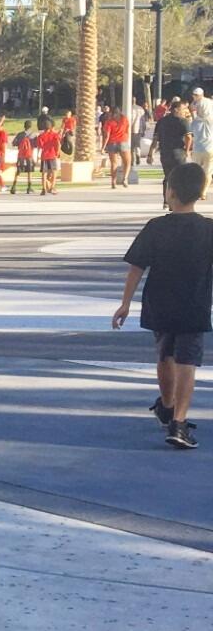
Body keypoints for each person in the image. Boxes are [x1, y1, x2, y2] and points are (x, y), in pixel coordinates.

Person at [112, 163, 213, 450]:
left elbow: (136, 267)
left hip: (160, 304)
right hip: (194, 305)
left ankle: (167, 406)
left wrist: (125, 303)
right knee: (187, 362)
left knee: (165, 355)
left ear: (170, 192)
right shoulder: (208, 229)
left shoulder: (156, 227)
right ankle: (179, 422)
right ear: (201, 192)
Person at [149, 96, 192, 205]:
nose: (185, 111)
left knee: (168, 176)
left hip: (165, 153)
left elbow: (155, 139)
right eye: (183, 109)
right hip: (178, 152)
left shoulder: (161, 121)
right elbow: (188, 137)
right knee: (180, 177)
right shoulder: (183, 121)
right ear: (176, 109)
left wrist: (150, 154)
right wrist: (187, 150)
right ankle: (178, 199)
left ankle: (167, 200)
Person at [189, 87, 213, 198]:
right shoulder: (211, 120)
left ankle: (196, 190)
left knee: (196, 172)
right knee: (208, 172)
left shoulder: (195, 122)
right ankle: (203, 192)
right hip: (210, 148)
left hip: (198, 149)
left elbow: (190, 134)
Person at [103, 107, 131, 188]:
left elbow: (107, 135)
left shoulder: (109, 122)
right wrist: (127, 138)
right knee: (127, 162)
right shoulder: (124, 119)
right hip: (123, 141)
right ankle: (125, 178)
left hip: (112, 143)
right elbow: (127, 130)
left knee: (114, 163)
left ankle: (113, 181)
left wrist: (103, 147)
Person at [36, 115, 62, 195]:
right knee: (54, 172)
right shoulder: (54, 135)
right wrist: (58, 152)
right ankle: (52, 187)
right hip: (52, 155)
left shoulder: (40, 136)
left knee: (44, 173)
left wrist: (38, 156)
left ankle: (44, 189)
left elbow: (40, 146)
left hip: (44, 155)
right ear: (51, 127)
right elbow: (58, 144)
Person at [11, 120, 36, 194]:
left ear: (24, 126)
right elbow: (36, 145)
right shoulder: (33, 135)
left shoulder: (20, 135)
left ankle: (13, 187)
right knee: (29, 171)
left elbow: (14, 143)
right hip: (29, 155)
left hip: (21, 156)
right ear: (30, 126)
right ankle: (29, 187)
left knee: (18, 171)